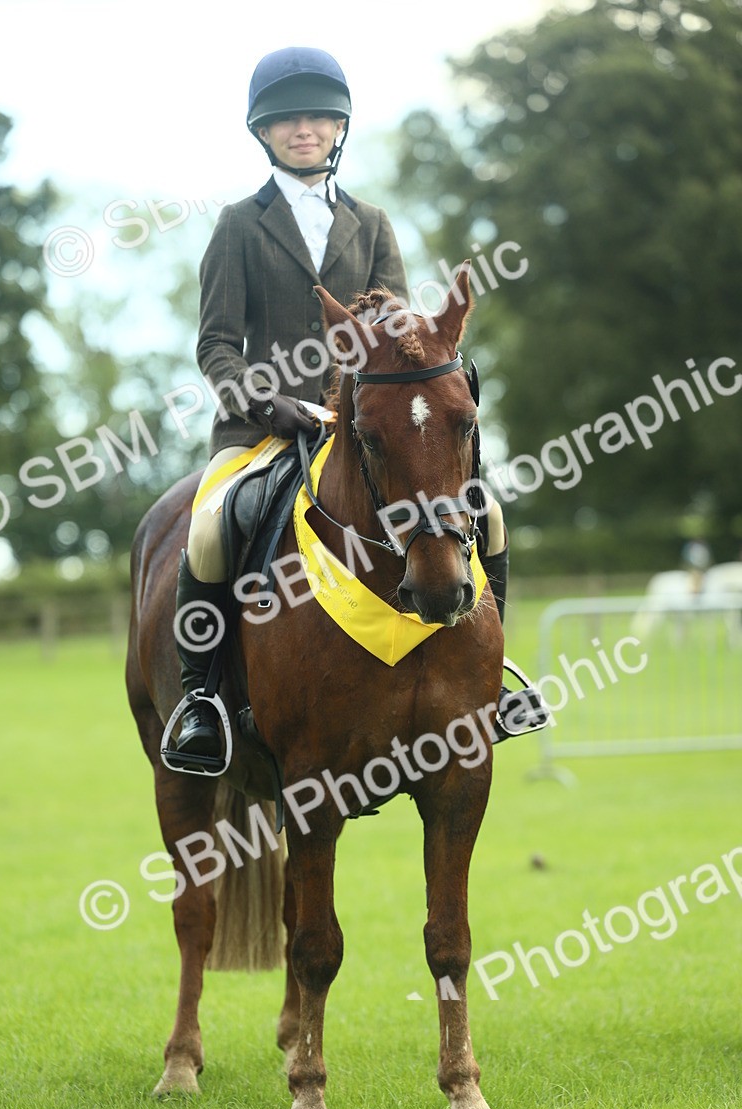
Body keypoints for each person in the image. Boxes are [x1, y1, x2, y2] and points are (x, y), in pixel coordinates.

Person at [169, 46, 546, 769]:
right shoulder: (238, 226)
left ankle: (490, 677)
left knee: (486, 512)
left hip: (368, 431)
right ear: (265, 133)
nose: (302, 130)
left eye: (316, 118)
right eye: (286, 121)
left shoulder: (371, 223)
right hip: (263, 429)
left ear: (339, 128)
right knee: (213, 524)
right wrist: (267, 401)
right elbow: (216, 345)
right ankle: (202, 700)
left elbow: (401, 333)